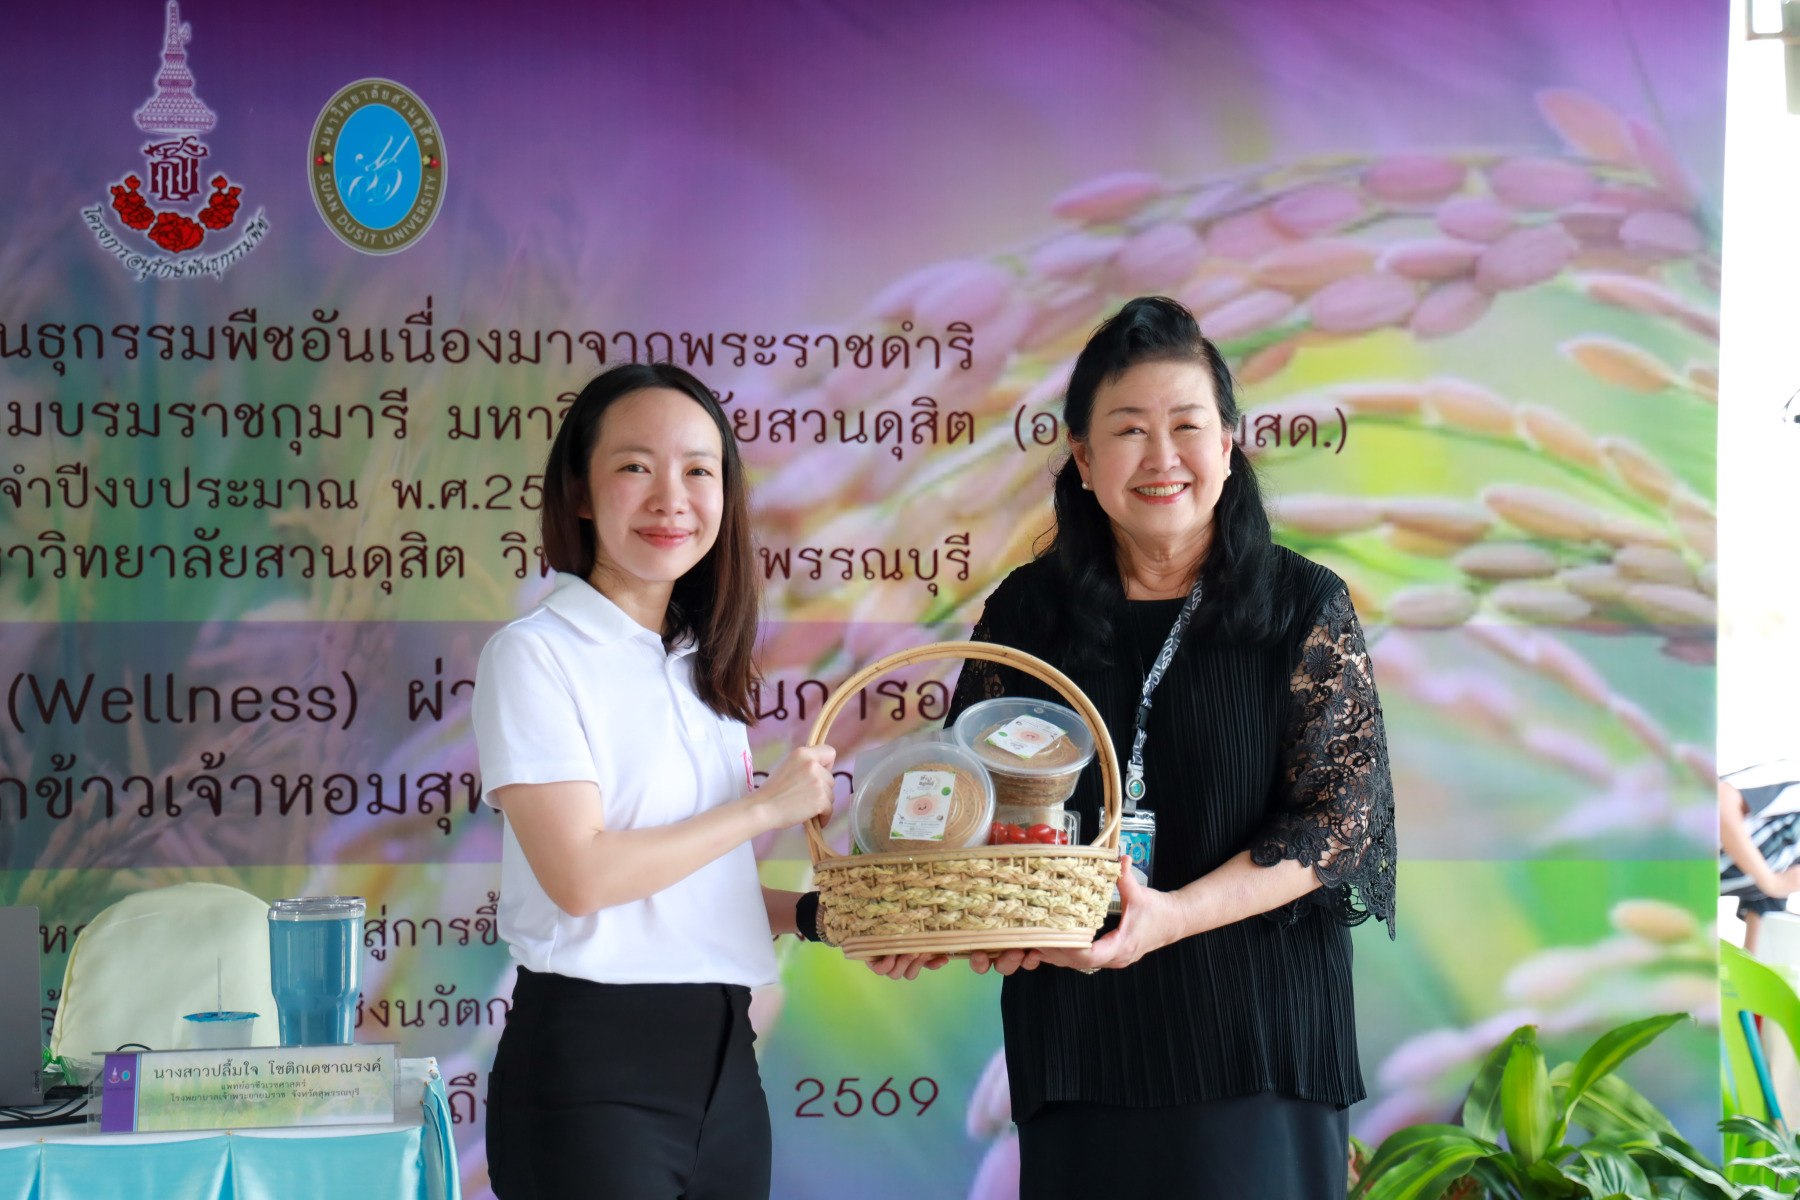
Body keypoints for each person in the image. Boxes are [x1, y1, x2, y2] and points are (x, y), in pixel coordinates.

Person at [943, 296, 1397, 1198]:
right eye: (1128, 430)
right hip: (1082, 1044)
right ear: (1084, 459)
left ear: (1227, 445)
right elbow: (968, 799)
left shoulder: (1302, 605)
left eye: (1187, 426)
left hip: (1258, 1044)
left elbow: (1341, 817)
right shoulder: (1029, 614)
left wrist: (1172, 916)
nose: (1162, 458)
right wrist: (993, 917)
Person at [472, 363, 839, 1200]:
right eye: (636, 467)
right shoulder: (535, 655)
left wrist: (819, 916)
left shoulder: (698, 668)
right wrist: (764, 810)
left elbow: (690, 888)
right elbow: (583, 877)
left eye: (698, 471)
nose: (672, 498)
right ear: (579, 492)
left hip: (726, 1068)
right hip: (592, 1073)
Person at [1719, 761, 1800, 954]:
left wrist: (1751, 963)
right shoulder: (1794, 783)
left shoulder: (1792, 863)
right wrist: (1770, 881)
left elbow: (1765, 909)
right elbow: (1721, 802)